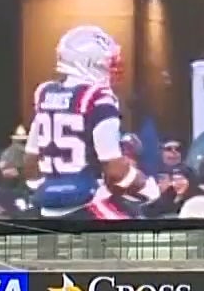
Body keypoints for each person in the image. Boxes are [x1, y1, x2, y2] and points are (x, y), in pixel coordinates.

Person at [27, 26, 146, 219]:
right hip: (88, 204)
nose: (111, 68)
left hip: (47, 208)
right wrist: (147, 187)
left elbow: (30, 163)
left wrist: (47, 188)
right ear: (89, 63)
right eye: (108, 62)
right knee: (140, 232)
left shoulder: (45, 95)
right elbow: (115, 171)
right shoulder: (98, 99)